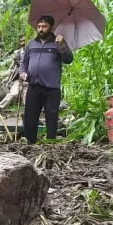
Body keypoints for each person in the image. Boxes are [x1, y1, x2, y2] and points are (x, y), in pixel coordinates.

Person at [20, 16, 73, 144]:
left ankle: (50, 144)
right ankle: (30, 144)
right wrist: (22, 73)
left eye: (44, 26)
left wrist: (62, 46)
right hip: (34, 86)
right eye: (39, 26)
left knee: (51, 117)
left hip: (51, 88)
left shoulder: (58, 43)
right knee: (30, 116)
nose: (41, 29)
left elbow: (68, 59)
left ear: (51, 27)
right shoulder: (31, 44)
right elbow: (24, 62)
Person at [0, 34, 28, 112]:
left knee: (27, 100)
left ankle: (27, 118)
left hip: (27, 80)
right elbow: (12, 66)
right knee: (13, 93)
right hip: (17, 78)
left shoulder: (31, 52)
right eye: (21, 41)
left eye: (24, 41)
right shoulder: (17, 53)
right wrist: (10, 71)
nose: (22, 43)